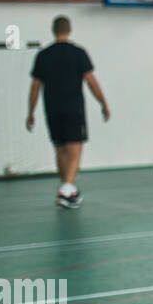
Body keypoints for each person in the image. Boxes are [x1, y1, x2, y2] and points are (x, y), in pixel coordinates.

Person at [26, 15, 109, 208]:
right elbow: (91, 80)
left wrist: (30, 112)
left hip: (52, 108)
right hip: (74, 108)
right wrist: (103, 102)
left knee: (60, 148)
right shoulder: (78, 53)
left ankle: (69, 191)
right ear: (69, 30)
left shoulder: (43, 55)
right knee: (75, 148)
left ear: (53, 30)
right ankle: (67, 189)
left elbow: (35, 86)